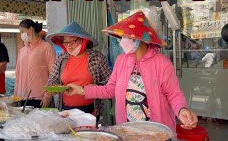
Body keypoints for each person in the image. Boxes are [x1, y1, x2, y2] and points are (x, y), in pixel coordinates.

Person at [66, 11, 198, 132]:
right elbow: (110, 89)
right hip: (128, 131)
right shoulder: (121, 61)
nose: (122, 41)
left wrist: (182, 110)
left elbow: (173, 94)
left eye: (126, 37)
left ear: (139, 39)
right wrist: (81, 90)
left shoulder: (161, 62)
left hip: (157, 132)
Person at [44, 22, 111, 119]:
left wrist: (85, 89)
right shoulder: (62, 58)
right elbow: (52, 79)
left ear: (82, 40)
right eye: (65, 42)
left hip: (90, 110)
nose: (69, 45)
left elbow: (108, 83)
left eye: (72, 41)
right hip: (65, 110)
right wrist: (52, 89)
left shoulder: (97, 58)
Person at [14, 19, 56, 108]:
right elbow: (18, 74)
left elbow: (53, 73)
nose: (21, 35)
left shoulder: (46, 47)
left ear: (31, 29)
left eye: (22, 32)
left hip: (40, 98)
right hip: (23, 98)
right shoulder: (22, 50)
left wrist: (48, 95)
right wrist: (16, 95)